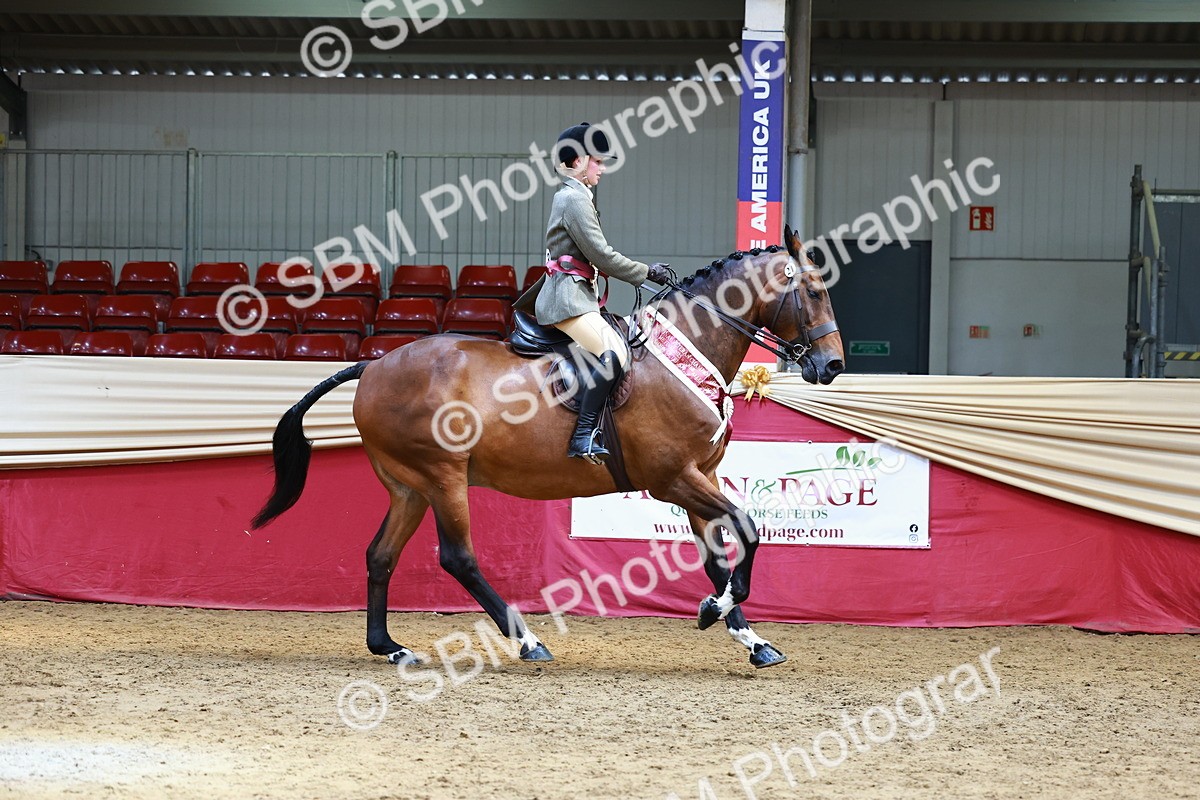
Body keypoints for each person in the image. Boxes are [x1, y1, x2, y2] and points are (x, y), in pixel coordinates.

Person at [514, 122, 673, 465]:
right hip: (567, 301)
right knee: (614, 352)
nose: (602, 168)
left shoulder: (577, 197)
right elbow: (601, 255)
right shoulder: (573, 199)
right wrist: (646, 273)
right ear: (581, 160)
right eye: (597, 161)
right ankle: (583, 435)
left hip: (579, 296)